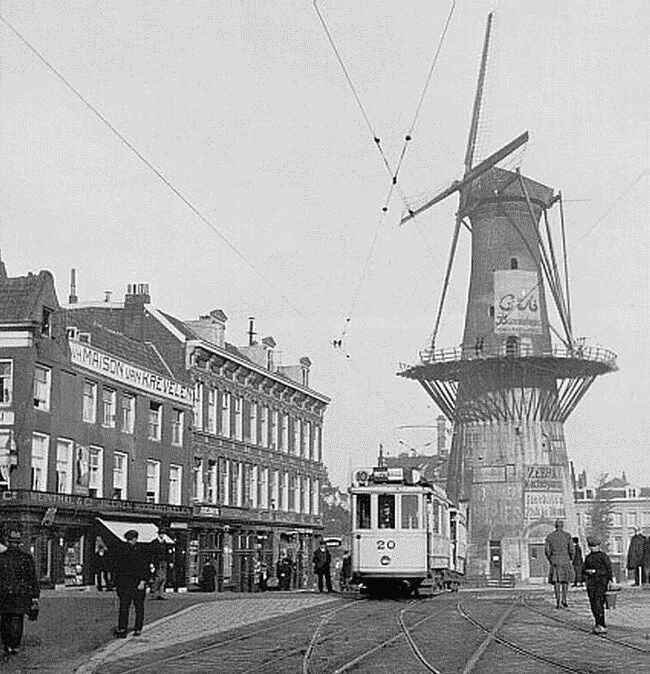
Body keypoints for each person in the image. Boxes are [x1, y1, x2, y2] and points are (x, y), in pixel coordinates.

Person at [0, 531, 40, 656]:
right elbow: (32, 578)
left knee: (5, 619)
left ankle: (7, 644)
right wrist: (34, 595)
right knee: (17, 619)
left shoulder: (2, 558)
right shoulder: (26, 558)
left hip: (4, 594)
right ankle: (14, 645)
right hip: (20, 594)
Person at [110, 529, 151, 638]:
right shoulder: (122, 551)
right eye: (130, 540)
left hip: (136, 584)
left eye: (132, 539)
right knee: (126, 607)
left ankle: (135, 628)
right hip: (127, 584)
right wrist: (117, 584)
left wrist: (143, 581)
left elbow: (145, 568)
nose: (131, 541)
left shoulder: (141, 551)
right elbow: (117, 568)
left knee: (136, 607)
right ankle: (125, 628)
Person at [583, 537, 613, 635]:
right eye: (591, 546)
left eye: (594, 546)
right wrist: (586, 573)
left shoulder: (603, 556)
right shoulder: (588, 557)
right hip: (591, 583)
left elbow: (608, 569)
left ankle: (602, 624)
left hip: (601, 582)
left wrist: (610, 580)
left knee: (598, 603)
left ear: (598, 546)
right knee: (593, 604)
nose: (592, 548)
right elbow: (583, 570)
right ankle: (597, 623)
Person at [544, 519, 574, 609]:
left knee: (556, 582)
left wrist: (551, 559)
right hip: (565, 560)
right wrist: (570, 558)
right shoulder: (567, 536)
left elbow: (547, 551)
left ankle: (558, 601)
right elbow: (572, 549)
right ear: (562, 526)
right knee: (565, 581)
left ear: (555, 526)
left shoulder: (550, 536)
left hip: (555, 561)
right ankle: (564, 600)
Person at [149, 529, 168, 600]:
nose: (162, 535)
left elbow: (167, 553)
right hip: (157, 562)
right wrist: (151, 563)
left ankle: (161, 594)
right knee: (158, 578)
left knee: (164, 578)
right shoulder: (154, 543)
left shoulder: (164, 543)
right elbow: (152, 554)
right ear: (158, 534)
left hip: (164, 562)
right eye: (161, 534)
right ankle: (154, 592)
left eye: (163, 534)